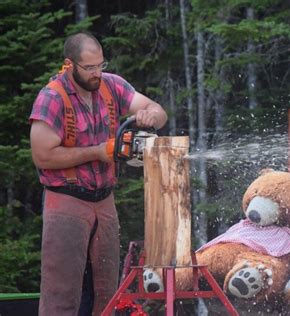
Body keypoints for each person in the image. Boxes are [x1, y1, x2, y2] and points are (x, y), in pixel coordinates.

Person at [29, 32, 168, 316]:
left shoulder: (112, 85)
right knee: (62, 295)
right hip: (65, 201)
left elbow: (159, 111)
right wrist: (97, 152)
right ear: (70, 65)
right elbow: (42, 156)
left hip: (104, 201)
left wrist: (151, 114)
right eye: (89, 68)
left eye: (100, 65)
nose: (96, 73)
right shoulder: (52, 97)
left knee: (106, 292)